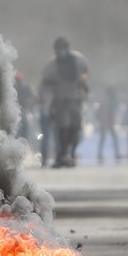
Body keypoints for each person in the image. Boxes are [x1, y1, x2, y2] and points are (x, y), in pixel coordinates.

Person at [40, 36, 90, 168]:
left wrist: (83, 81)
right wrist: (47, 102)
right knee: (63, 128)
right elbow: (45, 81)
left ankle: (71, 153)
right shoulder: (53, 64)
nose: (61, 51)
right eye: (58, 48)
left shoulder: (78, 59)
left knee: (75, 127)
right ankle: (62, 154)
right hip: (60, 99)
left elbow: (85, 71)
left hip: (76, 97)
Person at [96, 85, 121, 161]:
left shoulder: (105, 100)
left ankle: (100, 154)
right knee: (113, 138)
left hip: (105, 121)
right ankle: (116, 153)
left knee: (103, 139)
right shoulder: (112, 101)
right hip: (109, 121)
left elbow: (100, 112)